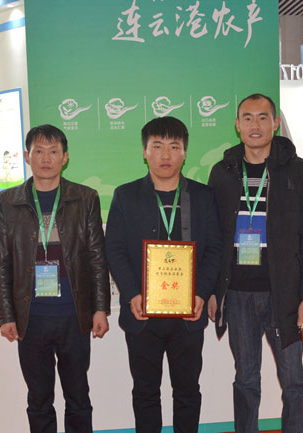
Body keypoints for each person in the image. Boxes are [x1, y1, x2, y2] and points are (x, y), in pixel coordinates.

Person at [207, 94, 303, 433]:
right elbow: (213, 239)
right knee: (245, 379)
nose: (255, 125)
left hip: (284, 295)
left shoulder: (299, 171)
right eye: (247, 118)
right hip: (238, 294)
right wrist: (214, 290)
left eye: (262, 117)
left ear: (275, 123)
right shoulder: (223, 172)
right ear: (237, 125)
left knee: (293, 380)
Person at [105, 116, 222, 433]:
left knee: (188, 392)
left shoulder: (203, 196)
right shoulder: (126, 196)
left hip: (188, 314)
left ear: (185, 152)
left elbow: (215, 249)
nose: (165, 155)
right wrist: (132, 293)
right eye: (157, 146)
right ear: (145, 152)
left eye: (174, 146)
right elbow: (114, 248)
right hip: (142, 315)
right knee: (145, 393)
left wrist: (200, 292)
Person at [0, 124, 110, 433]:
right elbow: (1, 263)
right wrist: (5, 315)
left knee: (78, 397)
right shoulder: (6, 202)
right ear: (27, 156)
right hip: (31, 318)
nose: (46, 159)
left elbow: (97, 257)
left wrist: (100, 309)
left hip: (74, 316)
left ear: (65, 157)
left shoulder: (85, 198)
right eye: (39, 151)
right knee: (39, 400)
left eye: (54, 151)